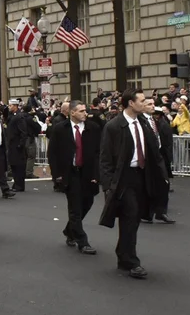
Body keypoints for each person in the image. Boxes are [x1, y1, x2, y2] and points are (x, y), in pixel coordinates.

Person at [97, 89, 165, 279]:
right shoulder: (113, 126)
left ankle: (123, 253)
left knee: (134, 218)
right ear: (130, 103)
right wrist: (108, 185)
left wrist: (162, 176)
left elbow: (153, 152)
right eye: (142, 101)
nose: (145, 103)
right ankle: (131, 261)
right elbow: (105, 158)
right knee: (131, 213)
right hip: (123, 178)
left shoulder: (144, 123)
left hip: (143, 176)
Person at [51, 100, 101, 254]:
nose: (85, 113)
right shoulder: (60, 129)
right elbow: (53, 153)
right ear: (72, 112)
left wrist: (96, 174)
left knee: (87, 202)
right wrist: (57, 175)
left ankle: (69, 230)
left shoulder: (93, 128)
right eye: (81, 111)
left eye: (85, 110)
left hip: (88, 173)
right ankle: (82, 241)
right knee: (75, 208)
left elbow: (99, 152)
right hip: (70, 173)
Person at [140, 97, 175, 224]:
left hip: (159, 156)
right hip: (148, 157)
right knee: (148, 186)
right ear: (142, 106)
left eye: (153, 104)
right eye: (149, 104)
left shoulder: (155, 120)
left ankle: (161, 212)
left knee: (164, 183)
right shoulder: (140, 120)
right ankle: (147, 213)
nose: (152, 106)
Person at [6, 99, 40, 192]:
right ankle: (16, 184)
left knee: (18, 166)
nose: (9, 107)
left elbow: (23, 132)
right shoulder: (13, 116)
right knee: (14, 165)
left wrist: (20, 144)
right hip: (12, 144)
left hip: (17, 145)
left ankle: (19, 185)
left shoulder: (19, 117)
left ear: (15, 106)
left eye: (10, 105)